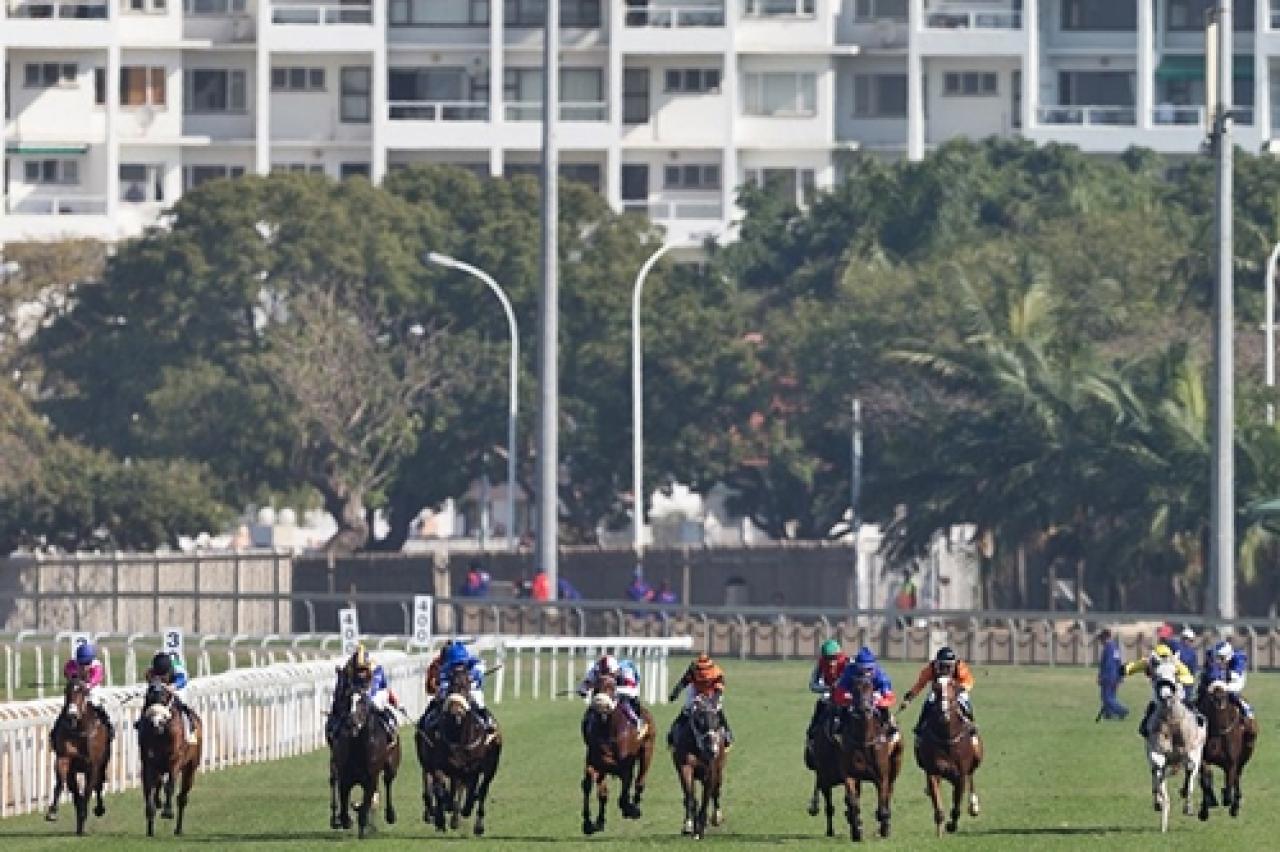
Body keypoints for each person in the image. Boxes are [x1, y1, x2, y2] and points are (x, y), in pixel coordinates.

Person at [329, 645, 400, 743]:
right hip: (357, 692)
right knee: (343, 705)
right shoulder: (348, 667)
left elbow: (374, 687)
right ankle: (334, 730)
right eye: (358, 670)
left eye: (363, 670)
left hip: (378, 692)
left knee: (375, 703)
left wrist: (365, 694)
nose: (360, 673)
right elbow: (340, 689)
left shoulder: (376, 669)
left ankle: (389, 726)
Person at [1123, 642, 1194, 738]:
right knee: (1152, 707)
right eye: (1160, 658)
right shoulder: (1149, 662)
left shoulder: (1175, 663)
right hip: (1158, 694)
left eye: (1165, 658)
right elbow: (1134, 667)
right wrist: (1125, 669)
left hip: (1176, 693)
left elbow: (1188, 677)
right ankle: (1145, 728)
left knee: (1189, 708)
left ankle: (1196, 725)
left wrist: (1178, 679)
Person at [901, 647, 975, 736]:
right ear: (937, 663)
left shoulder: (960, 667)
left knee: (965, 701)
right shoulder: (931, 668)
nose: (945, 669)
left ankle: (971, 724)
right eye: (942, 666)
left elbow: (968, 681)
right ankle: (921, 724)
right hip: (938, 688)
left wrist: (960, 689)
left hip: (955, 688)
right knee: (929, 701)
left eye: (949, 666)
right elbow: (920, 684)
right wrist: (909, 698)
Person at [55, 642, 115, 745]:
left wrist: (88, 685)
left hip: (92, 688)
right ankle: (55, 732)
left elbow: (96, 678)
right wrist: (74, 678)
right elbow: (66, 671)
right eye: (81, 663)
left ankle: (108, 727)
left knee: (96, 703)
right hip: (78, 686)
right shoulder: (72, 663)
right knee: (69, 705)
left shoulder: (97, 665)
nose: (83, 667)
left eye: (86, 663)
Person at [668, 652, 731, 746]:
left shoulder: (717, 671)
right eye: (700, 669)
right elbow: (684, 681)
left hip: (712, 691)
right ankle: (673, 733)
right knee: (687, 708)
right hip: (695, 690)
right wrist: (675, 693)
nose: (702, 672)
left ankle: (727, 734)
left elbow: (719, 688)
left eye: (704, 669)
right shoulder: (693, 668)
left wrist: (713, 701)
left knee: (717, 710)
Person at [431, 640, 495, 732]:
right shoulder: (445, 669)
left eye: (461, 663)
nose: (459, 666)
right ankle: (435, 724)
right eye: (456, 664)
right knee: (441, 702)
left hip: (470, 689)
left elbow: (480, 667)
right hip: (452, 690)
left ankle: (486, 721)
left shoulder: (473, 662)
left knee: (478, 698)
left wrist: (474, 675)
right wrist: (444, 688)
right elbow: (443, 681)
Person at [833, 647, 896, 731]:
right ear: (857, 666)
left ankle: (892, 732)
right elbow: (838, 693)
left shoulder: (880, 674)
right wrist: (848, 697)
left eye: (869, 669)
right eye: (863, 668)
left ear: (874, 666)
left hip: (875, 699)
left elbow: (890, 697)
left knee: (887, 717)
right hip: (853, 698)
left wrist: (879, 701)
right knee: (840, 713)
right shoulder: (849, 671)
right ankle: (838, 730)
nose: (866, 672)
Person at [143, 651, 197, 744]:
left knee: (182, 704)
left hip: (177, 687)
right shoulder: (151, 670)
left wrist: (173, 686)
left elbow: (183, 680)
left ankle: (190, 730)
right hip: (162, 687)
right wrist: (155, 685)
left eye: (163, 675)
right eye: (159, 675)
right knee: (150, 699)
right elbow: (149, 679)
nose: (162, 676)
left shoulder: (178, 670)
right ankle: (141, 723)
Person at [576, 654, 643, 727]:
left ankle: (637, 722)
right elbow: (585, 684)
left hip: (627, 687)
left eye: (609, 676)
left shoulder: (626, 670)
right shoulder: (596, 670)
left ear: (616, 671)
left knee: (624, 701)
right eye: (603, 676)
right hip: (605, 691)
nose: (606, 679)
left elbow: (632, 691)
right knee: (594, 706)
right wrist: (583, 690)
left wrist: (614, 690)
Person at [1201, 641, 1256, 725]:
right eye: (1217, 657)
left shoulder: (1238, 659)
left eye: (1221, 658)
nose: (1218, 661)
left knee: (1230, 692)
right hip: (1220, 676)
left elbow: (1235, 676)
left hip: (1236, 678)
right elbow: (1209, 671)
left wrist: (1221, 679)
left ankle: (1246, 710)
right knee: (1203, 690)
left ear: (1228, 656)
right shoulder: (1211, 654)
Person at [806, 639, 848, 744]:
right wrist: (827, 689)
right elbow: (812, 685)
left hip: (846, 698)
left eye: (834, 658)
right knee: (813, 726)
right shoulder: (820, 664)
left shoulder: (848, 664)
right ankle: (812, 741)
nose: (831, 662)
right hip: (829, 696)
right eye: (828, 658)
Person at [1096, 629, 1128, 721]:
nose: (1100, 641)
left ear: (1104, 637)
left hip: (1108, 676)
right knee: (1111, 697)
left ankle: (1122, 710)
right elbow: (1118, 662)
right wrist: (1120, 676)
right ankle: (1108, 715)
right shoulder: (1115, 647)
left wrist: (1102, 677)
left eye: (1100, 639)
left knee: (1107, 698)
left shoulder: (1108, 648)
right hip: (1115, 676)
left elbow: (1108, 665)